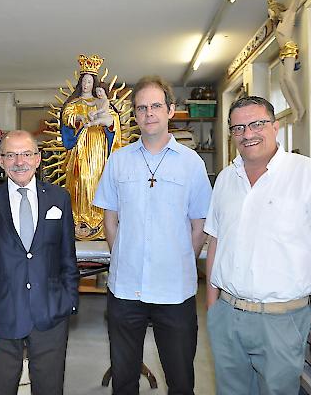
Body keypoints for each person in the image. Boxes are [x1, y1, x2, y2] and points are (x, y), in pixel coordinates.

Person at [205, 96, 311, 395]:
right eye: (238, 128)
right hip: (227, 316)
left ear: (276, 127)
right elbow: (216, 242)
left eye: (257, 124)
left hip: (282, 321)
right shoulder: (225, 180)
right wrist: (211, 307)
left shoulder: (308, 175)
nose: (248, 134)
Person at [93, 75, 212, 395]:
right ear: (135, 114)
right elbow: (110, 219)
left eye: (156, 106)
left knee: (181, 379)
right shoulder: (118, 161)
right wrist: (125, 255)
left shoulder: (191, 164)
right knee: (124, 378)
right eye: (141, 107)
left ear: (171, 110)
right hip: (125, 289)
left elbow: (199, 225)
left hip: (175, 291)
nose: (149, 113)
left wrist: (178, 261)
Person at [0, 130, 79, 395]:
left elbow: (67, 257)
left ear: (38, 159)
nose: (20, 161)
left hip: (50, 312)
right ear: (1, 161)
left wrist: (69, 301)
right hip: (1, 315)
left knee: (50, 388)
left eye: (26, 154)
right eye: (11, 155)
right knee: (2, 388)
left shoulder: (58, 199)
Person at [61, 54, 121, 239]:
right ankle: (78, 219)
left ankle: (99, 219)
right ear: (80, 83)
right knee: (80, 180)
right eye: (84, 81)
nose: (87, 85)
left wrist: (107, 122)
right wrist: (80, 118)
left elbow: (114, 121)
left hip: (98, 149)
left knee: (97, 180)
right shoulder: (74, 104)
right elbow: (66, 118)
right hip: (79, 148)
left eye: (90, 81)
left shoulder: (100, 101)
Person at [268, 0, 311, 122]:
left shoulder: (288, 15)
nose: (270, 13)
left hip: (289, 48)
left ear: (276, 8)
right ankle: (294, 109)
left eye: (271, 10)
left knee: (288, 78)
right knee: (281, 81)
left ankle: (300, 107)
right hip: (282, 53)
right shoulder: (277, 23)